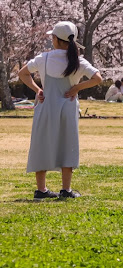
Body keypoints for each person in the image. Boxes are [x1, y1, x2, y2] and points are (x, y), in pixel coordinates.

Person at [18, 21, 103, 200]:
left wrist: (38, 90)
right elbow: (97, 78)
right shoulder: (78, 61)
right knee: (67, 144)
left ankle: (41, 190)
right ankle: (66, 189)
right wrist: (77, 87)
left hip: (46, 106)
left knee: (42, 144)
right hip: (67, 107)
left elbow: (22, 74)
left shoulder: (44, 58)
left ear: (55, 39)